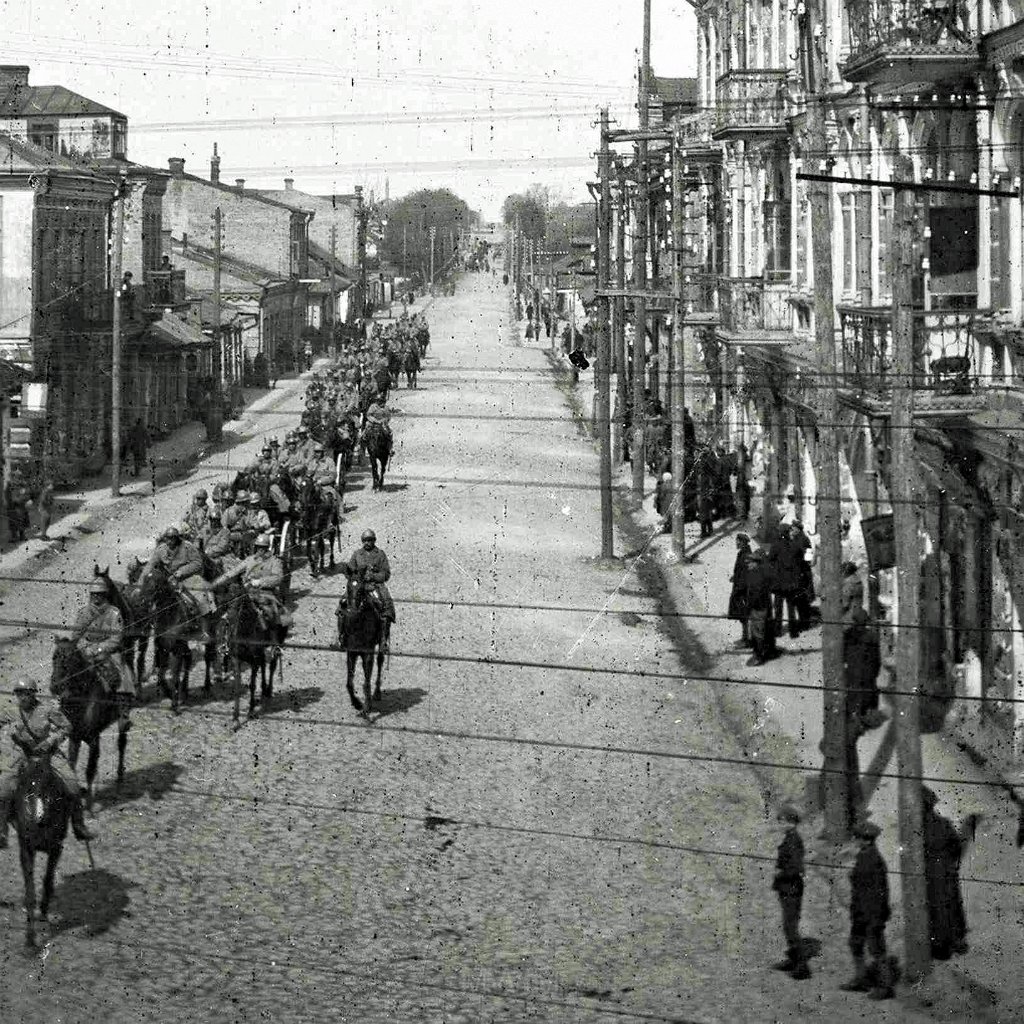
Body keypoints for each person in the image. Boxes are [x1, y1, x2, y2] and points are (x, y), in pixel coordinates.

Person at [0, 678, 95, 848]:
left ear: (33, 694)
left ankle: (79, 825)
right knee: (3, 788)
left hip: (47, 753)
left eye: (26, 694)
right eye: (19, 694)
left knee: (72, 783)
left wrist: (51, 741)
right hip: (20, 753)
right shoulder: (10, 710)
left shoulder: (46, 709)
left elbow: (66, 727)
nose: (23, 698)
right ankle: (1, 830)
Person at [841, 819, 894, 1000]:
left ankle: (885, 987)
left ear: (866, 840)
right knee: (855, 944)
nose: (854, 840)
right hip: (860, 912)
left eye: (857, 838)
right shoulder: (863, 855)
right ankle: (861, 979)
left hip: (872, 914)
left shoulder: (875, 860)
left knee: (876, 949)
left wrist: (878, 917)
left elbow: (880, 892)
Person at [922, 786, 976, 960]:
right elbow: (957, 849)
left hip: (930, 875)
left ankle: (941, 947)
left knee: (936, 910)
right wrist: (966, 829)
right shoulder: (944, 823)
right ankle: (957, 940)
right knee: (951, 905)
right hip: (947, 872)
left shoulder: (916, 829)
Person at [144, 526, 214, 642]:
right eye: (167, 538)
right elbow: (150, 565)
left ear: (177, 538)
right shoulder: (161, 549)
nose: (169, 541)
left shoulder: (187, 547)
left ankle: (204, 631)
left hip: (188, 578)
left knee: (201, 598)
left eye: (172, 538)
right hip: (168, 579)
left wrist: (181, 572)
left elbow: (197, 563)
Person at [71, 579, 134, 696]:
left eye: (99, 594)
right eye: (93, 594)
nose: (96, 597)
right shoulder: (83, 613)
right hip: (86, 649)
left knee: (120, 668)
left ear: (104, 595)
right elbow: (76, 635)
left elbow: (116, 637)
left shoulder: (113, 613)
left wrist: (100, 648)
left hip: (107, 651)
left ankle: (123, 699)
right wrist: (85, 647)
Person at [772, 804, 810, 980]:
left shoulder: (794, 840)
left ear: (790, 822)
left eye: (781, 821)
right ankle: (793, 959)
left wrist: (781, 873)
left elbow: (796, 868)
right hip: (787, 888)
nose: (779, 825)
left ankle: (802, 966)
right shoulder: (790, 837)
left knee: (791, 927)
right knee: (788, 926)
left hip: (791, 888)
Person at [341, 529, 395, 623]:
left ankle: (384, 632)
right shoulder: (357, 554)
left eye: (369, 540)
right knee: (343, 603)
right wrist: (355, 577)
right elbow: (349, 570)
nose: (367, 543)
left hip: (375, 585)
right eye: (365, 540)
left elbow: (386, 574)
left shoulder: (380, 554)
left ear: (374, 540)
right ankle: (342, 632)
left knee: (386, 603)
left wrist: (373, 576)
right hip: (358, 585)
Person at [728, 534, 753, 647]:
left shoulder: (746, 555)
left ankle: (746, 640)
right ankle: (745, 638)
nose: (736, 543)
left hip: (743, 590)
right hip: (741, 588)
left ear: (742, 542)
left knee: (744, 616)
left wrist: (739, 588)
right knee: (742, 616)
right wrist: (735, 576)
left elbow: (747, 574)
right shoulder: (743, 552)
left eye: (737, 541)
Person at [36, 473, 54, 540]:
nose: (52, 486)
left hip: (48, 509)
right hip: (44, 509)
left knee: (48, 522)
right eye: (51, 485)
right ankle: (43, 536)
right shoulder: (45, 492)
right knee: (45, 521)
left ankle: (45, 534)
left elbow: (51, 499)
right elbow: (43, 500)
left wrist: (51, 501)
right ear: (47, 486)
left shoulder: (49, 492)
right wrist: (49, 502)